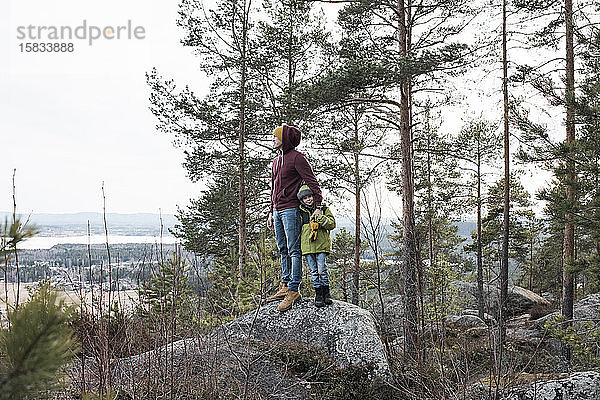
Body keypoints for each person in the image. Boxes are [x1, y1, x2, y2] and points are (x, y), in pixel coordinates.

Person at [267, 124, 322, 312]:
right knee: (282, 248)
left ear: (285, 139)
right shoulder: (276, 161)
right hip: (277, 210)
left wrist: (319, 206)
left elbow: (312, 181)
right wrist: (270, 210)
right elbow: (273, 188)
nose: (273, 139)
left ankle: (293, 289)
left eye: (276, 136)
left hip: (291, 210)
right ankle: (284, 284)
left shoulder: (298, 158)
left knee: (293, 249)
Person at [297, 185, 336, 307]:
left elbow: (332, 224)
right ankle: (318, 294)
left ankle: (326, 293)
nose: (308, 199)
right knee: (313, 272)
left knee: (322, 270)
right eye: (305, 198)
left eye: (309, 196)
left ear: (314, 196)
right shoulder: (300, 212)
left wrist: (319, 217)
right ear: (301, 200)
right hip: (308, 247)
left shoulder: (323, 209)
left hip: (321, 245)